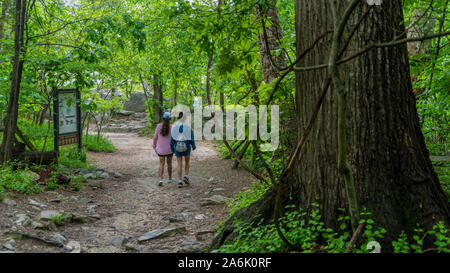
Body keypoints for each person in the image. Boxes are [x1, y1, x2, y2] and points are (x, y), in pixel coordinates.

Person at [170, 112, 196, 188]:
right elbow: (191, 138)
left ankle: (180, 181)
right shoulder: (188, 127)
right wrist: (193, 146)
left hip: (177, 147)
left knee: (179, 164)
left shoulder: (174, 128)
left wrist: (172, 148)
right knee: (187, 162)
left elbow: (172, 139)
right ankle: (186, 175)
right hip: (187, 147)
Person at [153, 112, 174, 186]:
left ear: (163, 118)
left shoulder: (159, 126)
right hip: (169, 149)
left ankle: (160, 179)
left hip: (161, 150)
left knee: (161, 163)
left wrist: (154, 146)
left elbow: (155, 137)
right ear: (170, 119)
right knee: (169, 163)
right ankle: (170, 178)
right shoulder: (172, 127)